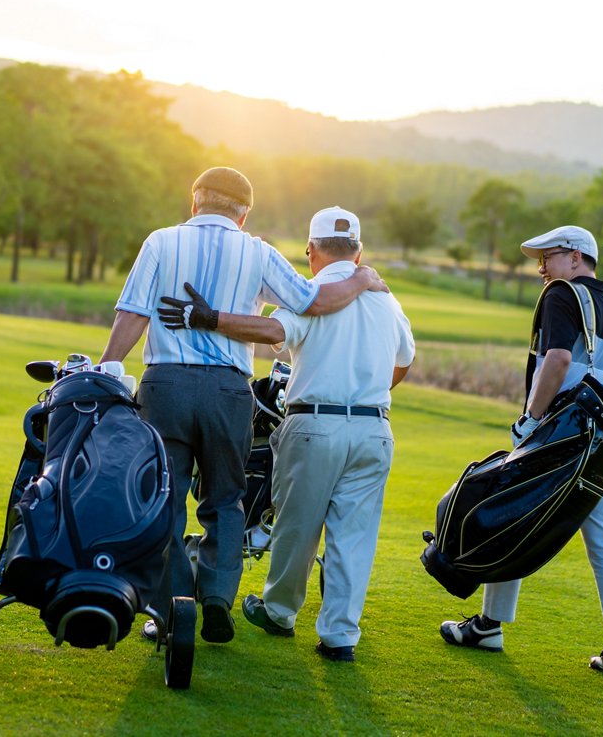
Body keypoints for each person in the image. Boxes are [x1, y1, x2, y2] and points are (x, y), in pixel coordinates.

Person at [100, 168, 384, 645]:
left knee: (162, 501)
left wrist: (108, 365)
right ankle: (215, 597)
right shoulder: (257, 251)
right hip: (229, 392)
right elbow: (314, 301)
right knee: (225, 501)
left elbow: (133, 311)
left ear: (195, 203)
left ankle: (171, 612)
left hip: (165, 386)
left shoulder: (161, 241)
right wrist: (361, 280)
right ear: (243, 213)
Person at [161, 206, 414, 663]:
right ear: (359, 252)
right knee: (354, 536)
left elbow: (272, 330)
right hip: (375, 428)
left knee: (298, 528)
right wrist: (372, 390)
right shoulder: (386, 299)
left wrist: (210, 318)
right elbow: (404, 359)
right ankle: (340, 637)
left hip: (314, 423)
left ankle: (278, 612)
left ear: (311, 251)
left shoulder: (310, 293)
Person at [438, 225, 603, 677]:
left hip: (556, 436)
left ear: (574, 258)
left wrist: (531, 418)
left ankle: (489, 627)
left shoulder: (561, 293)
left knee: (513, 515)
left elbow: (558, 360)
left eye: (547, 258)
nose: (541, 269)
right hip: (602, 444)